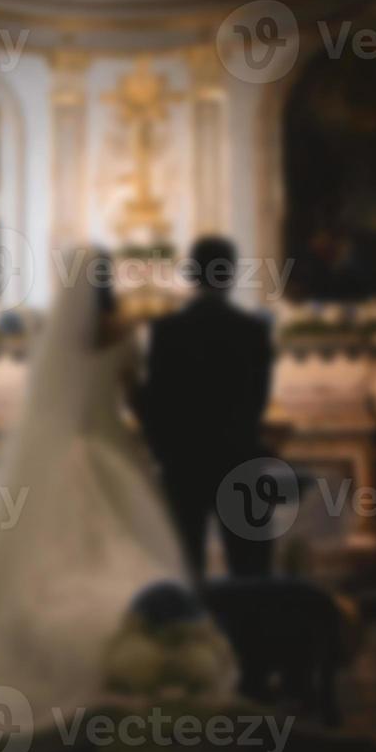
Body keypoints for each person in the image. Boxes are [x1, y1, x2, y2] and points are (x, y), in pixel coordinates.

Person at [0, 250, 191, 752]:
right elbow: (135, 397)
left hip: (54, 454)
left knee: (27, 557)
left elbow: (45, 402)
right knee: (119, 547)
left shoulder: (55, 338)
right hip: (108, 449)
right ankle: (132, 648)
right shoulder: (122, 332)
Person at [138, 236, 275, 579]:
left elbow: (157, 404)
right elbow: (256, 402)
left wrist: (164, 453)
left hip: (183, 465)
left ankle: (193, 633)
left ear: (191, 275)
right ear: (230, 274)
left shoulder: (166, 331)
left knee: (186, 570)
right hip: (240, 460)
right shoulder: (253, 331)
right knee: (249, 571)